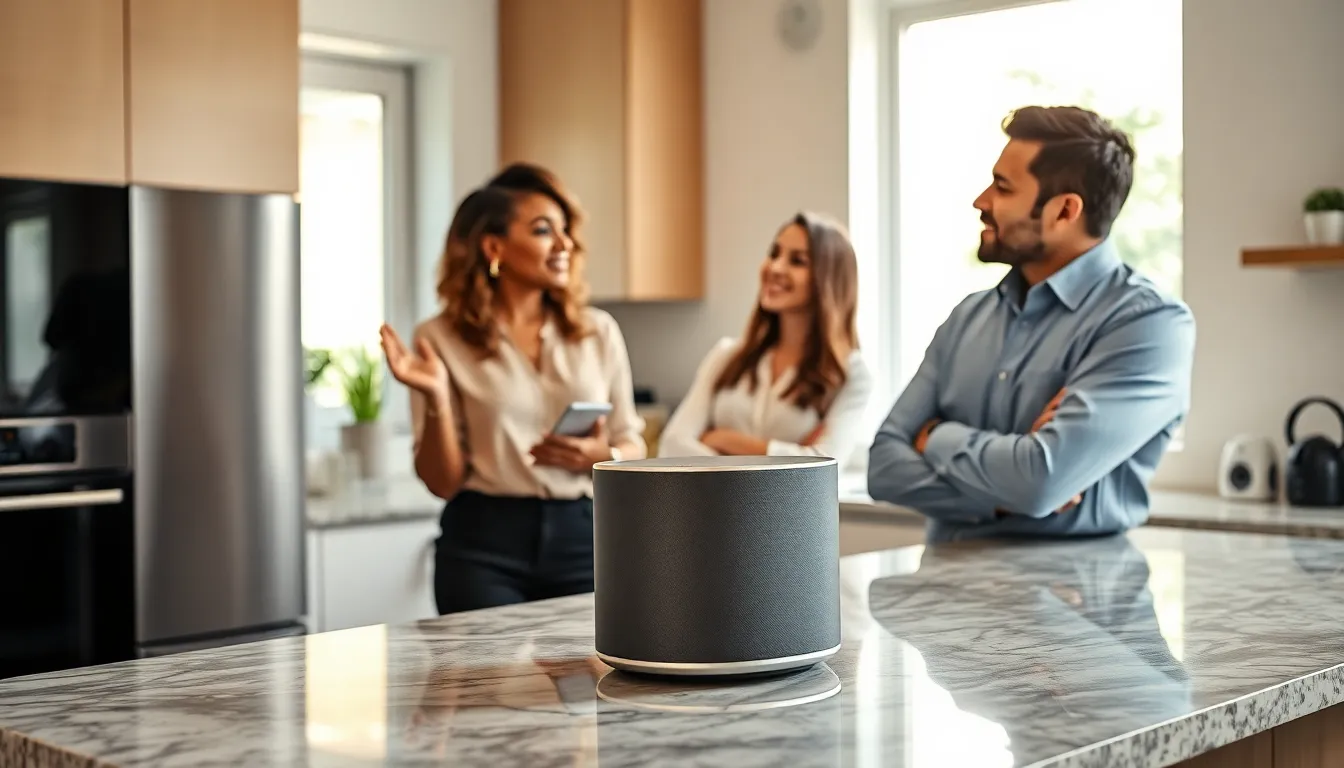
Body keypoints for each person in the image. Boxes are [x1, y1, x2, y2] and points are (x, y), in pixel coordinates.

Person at [867, 105, 1195, 543]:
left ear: (1064, 211)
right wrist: (1004, 496)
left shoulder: (1150, 326)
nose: (981, 201)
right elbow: (883, 467)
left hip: (1082, 601)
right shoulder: (967, 317)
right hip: (945, 595)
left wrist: (935, 437)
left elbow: (1042, 480)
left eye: (1003, 188)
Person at [379, 163, 646, 614]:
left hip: (585, 536)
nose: (564, 245)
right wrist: (437, 398)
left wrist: (604, 457)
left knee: (584, 681)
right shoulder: (439, 338)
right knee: (484, 684)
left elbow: (632, 441)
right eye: (544, 230)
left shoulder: (597, 331)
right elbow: (441, 482)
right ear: (494, 246)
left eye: (565, 231)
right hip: (483, 543)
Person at [658, 212, 872, 462]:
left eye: (797, 261)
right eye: (774, 253)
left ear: (829, 280)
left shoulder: (851, 375)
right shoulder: (727, 356)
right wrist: (789, 457)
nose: (776, 267)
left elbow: (824, 465)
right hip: (710, 502)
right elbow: (672, 446)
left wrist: (724, 440)